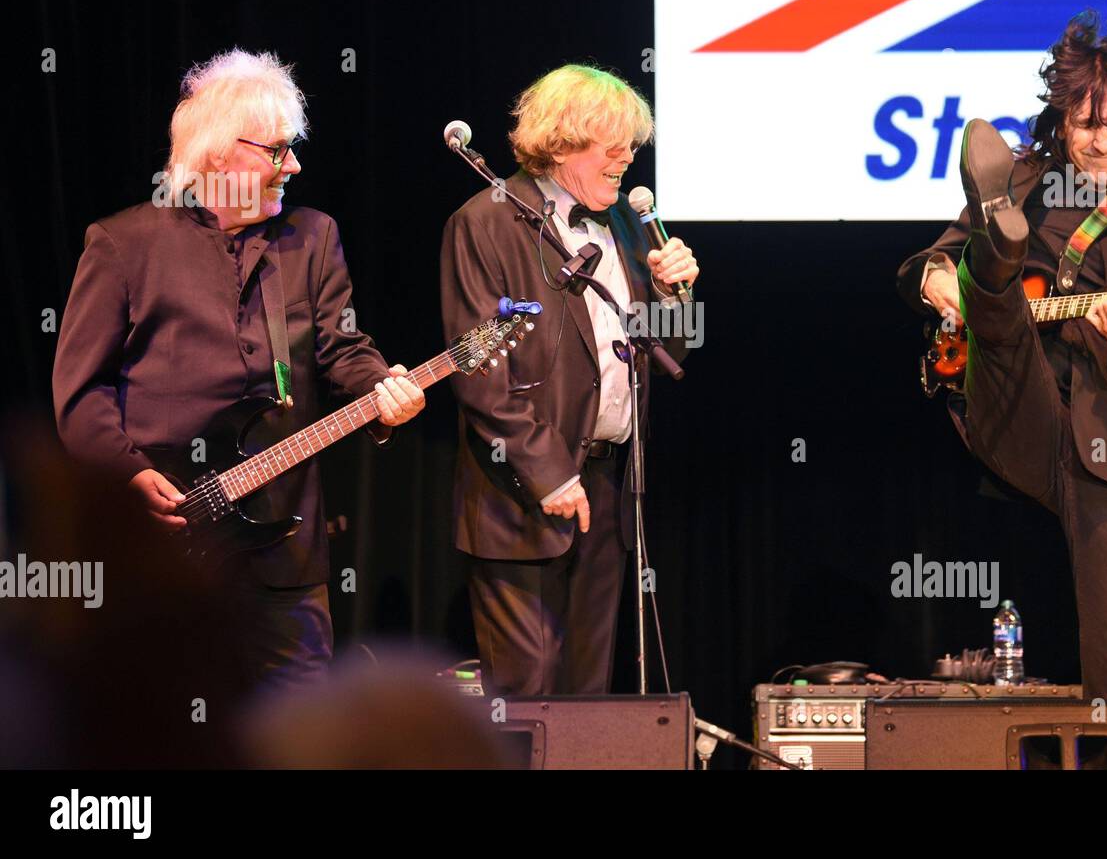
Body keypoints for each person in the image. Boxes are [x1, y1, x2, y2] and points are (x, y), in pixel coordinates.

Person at [52, 48, 425, 689]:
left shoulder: (313, 236)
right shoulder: (124, 244)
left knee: (298, 733)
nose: (295, 165)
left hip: (287, 550)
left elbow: (342, 348)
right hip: (171, 545)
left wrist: (385, 389)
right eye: (278, 150)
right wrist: (130, 475)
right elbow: (81, 393)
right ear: (222, 154)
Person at [897, 0, 1107, 700]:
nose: (1102, 138)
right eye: (1085, 122)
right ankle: (993, 265)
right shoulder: (1025, 179)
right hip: (1018, 411)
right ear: (1063, 120)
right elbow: (922, 263)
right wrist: (938, 283)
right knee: (995, 295)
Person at [440, 64, 699, 695]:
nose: (627, 158)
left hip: (609, 490)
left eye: (632, 145)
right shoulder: (486, 222)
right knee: (530, 702)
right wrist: (549, 472)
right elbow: (479, 371)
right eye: (611, 145)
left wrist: (676, 295)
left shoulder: (628, 227)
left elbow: (669, 353)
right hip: (521, 491)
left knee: (589, 702)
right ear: (561, 143)